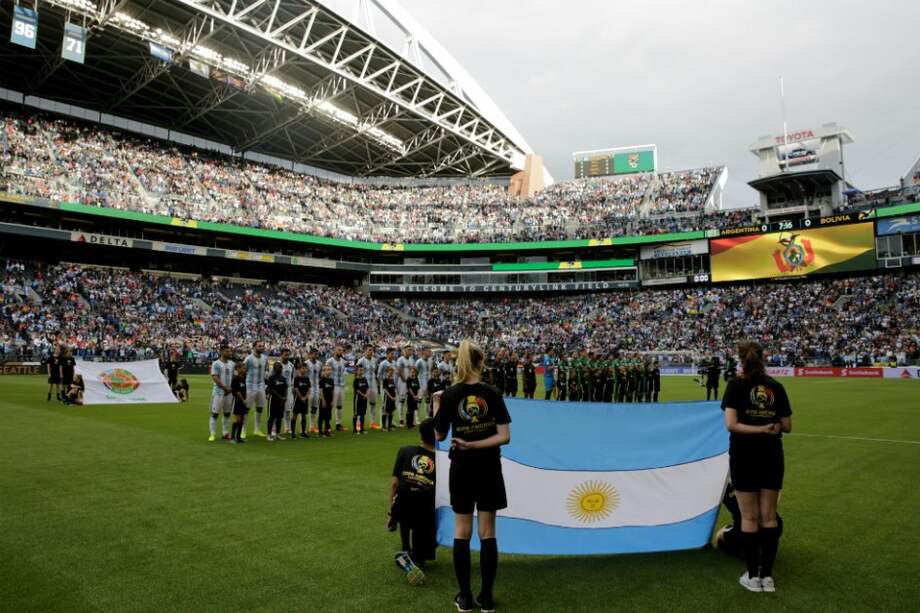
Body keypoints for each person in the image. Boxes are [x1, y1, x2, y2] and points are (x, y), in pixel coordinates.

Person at [433, 339, 511, 613]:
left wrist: (435, 407)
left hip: (463, 469)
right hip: (489, 467)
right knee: (488, 532)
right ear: (481, 361)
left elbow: (439, 435)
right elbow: (504, 437)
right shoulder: (493, 393)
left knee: (462, 531)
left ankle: (465, 597)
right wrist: (478, 444)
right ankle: (486, 598)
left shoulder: (451, 395)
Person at [722, 341, 792, 593]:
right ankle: (767, 577)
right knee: (769, 517)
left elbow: (731, 424)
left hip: (744, 455)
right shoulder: (775, 386)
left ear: (741, 359)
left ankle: (752, 576)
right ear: (764, 358)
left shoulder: (735, 385)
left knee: (749, 518)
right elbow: (787, 425)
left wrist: (756, 428)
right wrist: (767, 427)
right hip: (772, 454)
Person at [389, 418, 438, 586]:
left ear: (420, 434)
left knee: (405, 493)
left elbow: (395, 484)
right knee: (424, 498)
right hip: (425, 512)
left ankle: (405, 549)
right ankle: (417, 556)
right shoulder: (441, 459)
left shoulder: (404, 450)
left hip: (402, 505)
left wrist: (392, 514)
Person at [209, 343, 234, 442]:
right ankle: (212, 434)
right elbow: (215, 377)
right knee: (215, 414)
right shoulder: (216, 363)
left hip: (229, 393)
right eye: (227, 351)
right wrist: (225, 388)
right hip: (219, 393)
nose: (229, 353)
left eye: (230, 351)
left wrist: (231, 389)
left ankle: (225, 433)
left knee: (227, 414)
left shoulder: (232, 364)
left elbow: (234, 377)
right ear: (221, 352)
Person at [244, 341, 269, 438]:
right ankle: (243, 430)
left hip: (261, 386)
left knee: (260, 408)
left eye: (263, 346)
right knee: (246, 409)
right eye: (259, 346)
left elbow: (266, 369)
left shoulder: (265, 358)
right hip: (250, 386)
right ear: (254, 347)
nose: (262, 347)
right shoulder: (248, 359)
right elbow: (243, 371)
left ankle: (257, 429)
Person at [357, 345, 380, 430]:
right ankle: (359, 423)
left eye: (372, 350)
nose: (371, 352)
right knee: (362, 404)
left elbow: (376, 372)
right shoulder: (361, 361)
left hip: (373, 384)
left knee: (373, 404)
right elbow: (357, 373)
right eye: (369, 350)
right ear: (365, 351)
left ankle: (372, 422)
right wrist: (358, 385)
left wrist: (378, 383)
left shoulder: (375, 360)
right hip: (364, 386)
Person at [326, 346, 347, 431]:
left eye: (341, 350)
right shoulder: (329, 361)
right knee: (330, 405)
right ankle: (327, 424)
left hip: (341, 385)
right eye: (339, 350)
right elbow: (325, 371)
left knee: (339, 406)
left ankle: (338, 424)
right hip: (333, 386)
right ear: (335, 351)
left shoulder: (343, 361)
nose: (341, 352)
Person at [266, 362, 288, 442]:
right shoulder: (271, 378)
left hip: (281, 401)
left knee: (279, 417)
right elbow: (271, 389)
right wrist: (281, 397)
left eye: (281, 368)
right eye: (279, 367)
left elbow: (286, 388)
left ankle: (278, 434)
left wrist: (285, 397)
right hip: (273, 400)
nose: (280, 369)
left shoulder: (283, 378)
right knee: (271, 417)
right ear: (274, 369)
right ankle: (268, 434)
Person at [229, 363, 248, 444]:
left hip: (243, 401)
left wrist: (246, 398)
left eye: (245, 368)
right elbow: (236, 391)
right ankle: (232, 438)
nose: (244, 370)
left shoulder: (243, 378)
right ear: (238, 369)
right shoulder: (235, 378)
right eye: (243, 368)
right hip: (237, 401)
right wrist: (243, 400)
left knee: (242, 419)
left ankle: (239, 437)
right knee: (238, 419)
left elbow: (244, 390)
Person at [396, 345, 415, 426]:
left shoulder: (412, 360)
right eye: (408, 350)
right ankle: (401, 419)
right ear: (404, 350)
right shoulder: (400, 359)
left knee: (410, 401)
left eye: (411, 350)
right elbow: (399, 371)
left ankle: (409, 419)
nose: (410, 351)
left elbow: (413, 370)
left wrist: (411, 380)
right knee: (402, 400)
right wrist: (405, 380)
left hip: (409, 382)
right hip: (402, 382)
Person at [305, 348, 322, 433]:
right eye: (315, 354)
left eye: (317, 354)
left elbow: (320, 376)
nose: (316, 355)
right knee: (304, 408)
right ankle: (303, 427)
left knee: (315, 407)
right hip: (308, 388)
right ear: (310, 354)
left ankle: (312, 427)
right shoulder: (306, 364)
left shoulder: (319, 364)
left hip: (317, 388)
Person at [278, 349, 295, 436]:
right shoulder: (277, 365)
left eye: (288, 355)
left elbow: (293, 377)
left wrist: (292, 387)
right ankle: (274, 429)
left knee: (288, 410)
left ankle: (287, 428)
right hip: (278, 389)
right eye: (285, 355)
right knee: (277, 410)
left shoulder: (291, 365)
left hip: (288, 389)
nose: (287, 357)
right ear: (281, 355)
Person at [292, 362, 311, 439]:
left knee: (304, 415)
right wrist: (301, 397)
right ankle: (293, 433)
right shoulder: (296, 378)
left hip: (305, 399)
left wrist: (305, 397)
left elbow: (309, 388)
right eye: (302, 368)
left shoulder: (307, 378)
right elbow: (296, 389)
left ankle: (303, 432)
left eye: (305, 368)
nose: (304, 370)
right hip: (298, 399)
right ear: (299, 369)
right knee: (295, 415)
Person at [415, 347, 434, 420]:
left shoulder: (431, 361)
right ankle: (416, 417)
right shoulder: (419, 362)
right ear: (424, 352)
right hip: (420, 384)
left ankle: (427, 416)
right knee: (419, 401)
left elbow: (431, 371)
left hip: (428, 384)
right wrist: (417, 384)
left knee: (428, 400)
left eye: (430, 351)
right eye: (428, 351)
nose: (430, 353)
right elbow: (415, 373)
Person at [318, 363, 335, 437]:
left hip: (329, 400)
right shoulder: (322, 380)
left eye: (330, 370)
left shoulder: (331, 380)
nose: (329, 371)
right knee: (322, 416)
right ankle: (320, 432)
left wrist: (333, 400)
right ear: (324, 371)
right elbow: (321, 391)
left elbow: (332, 391)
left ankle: (326, 431)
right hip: (323, 401)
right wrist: (323, 400)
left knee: (328, 417)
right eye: (327, 370)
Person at [353, 365, 369, 434]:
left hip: (364, 399)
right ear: (356, 371)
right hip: (358, 399)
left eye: (362, 370)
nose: (361, 371)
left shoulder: (364, 379)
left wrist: (366, 395)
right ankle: (355, 430)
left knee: (362, 414)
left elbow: (367, 388)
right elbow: (357, 390)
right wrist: (363, 395)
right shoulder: (356, 380)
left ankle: (362, 429)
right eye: (359, 370)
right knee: (356, 414)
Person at [382, 366, 398, 431]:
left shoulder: (392, 380)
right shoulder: (385, 380)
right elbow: (385, 389)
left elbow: (394, 389)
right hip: (388, 398)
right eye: (390, 371)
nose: (391, 373)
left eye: (392, 371)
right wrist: (391, 396)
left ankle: (389, 426)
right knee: (385, 412)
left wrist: (395, 396)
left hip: (393, 398)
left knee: (391, 412)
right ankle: (384, 427)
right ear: (387, 372)